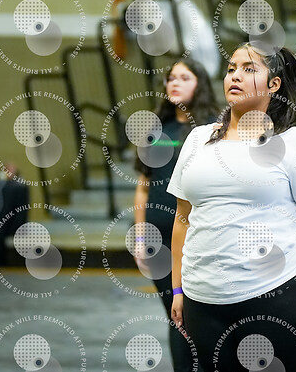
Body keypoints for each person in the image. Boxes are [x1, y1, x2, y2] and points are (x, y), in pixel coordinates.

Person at [167, 43, 296, 371]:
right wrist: (177, 288)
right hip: (202, 301)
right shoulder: (197, 139)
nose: (235, 76)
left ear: (274, 84)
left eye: (249, 69)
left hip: (276, 296)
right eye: (231, 69)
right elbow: (182, 220)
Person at [133, 58, 218, 372]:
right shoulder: (157, 128)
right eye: (171, 78)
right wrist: (140, 235)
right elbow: (143, 186)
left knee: (199, 314)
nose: (175, 83)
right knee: (175, 313)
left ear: (200, 84)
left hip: (197, 237)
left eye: (184, 77)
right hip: (159, 237)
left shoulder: (214, 127)